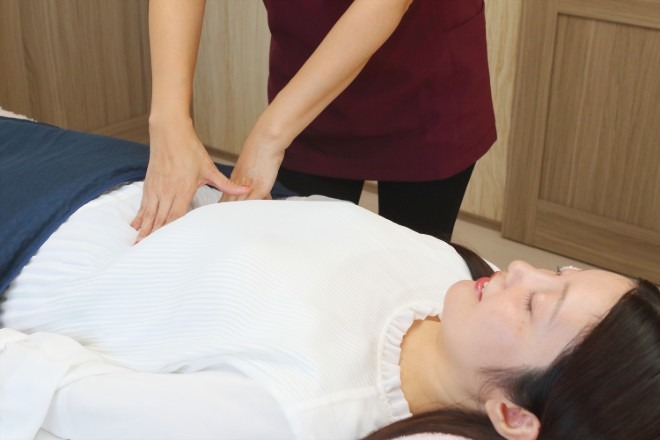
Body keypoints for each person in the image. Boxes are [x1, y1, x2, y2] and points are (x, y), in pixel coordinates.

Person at [3, 183, 658, 439]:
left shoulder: (292, 411)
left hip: (31, 228)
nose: (519, 270)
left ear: (513, 415)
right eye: (559, 270)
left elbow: (49, 391)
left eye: (538, 303)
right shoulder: (454, 272)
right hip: (134, 175)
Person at [132, 0, 496, 242]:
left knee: (412, 277)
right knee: (301, 267)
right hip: (306, 79)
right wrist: (169, 122)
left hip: (426, 77)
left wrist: (269, 136)